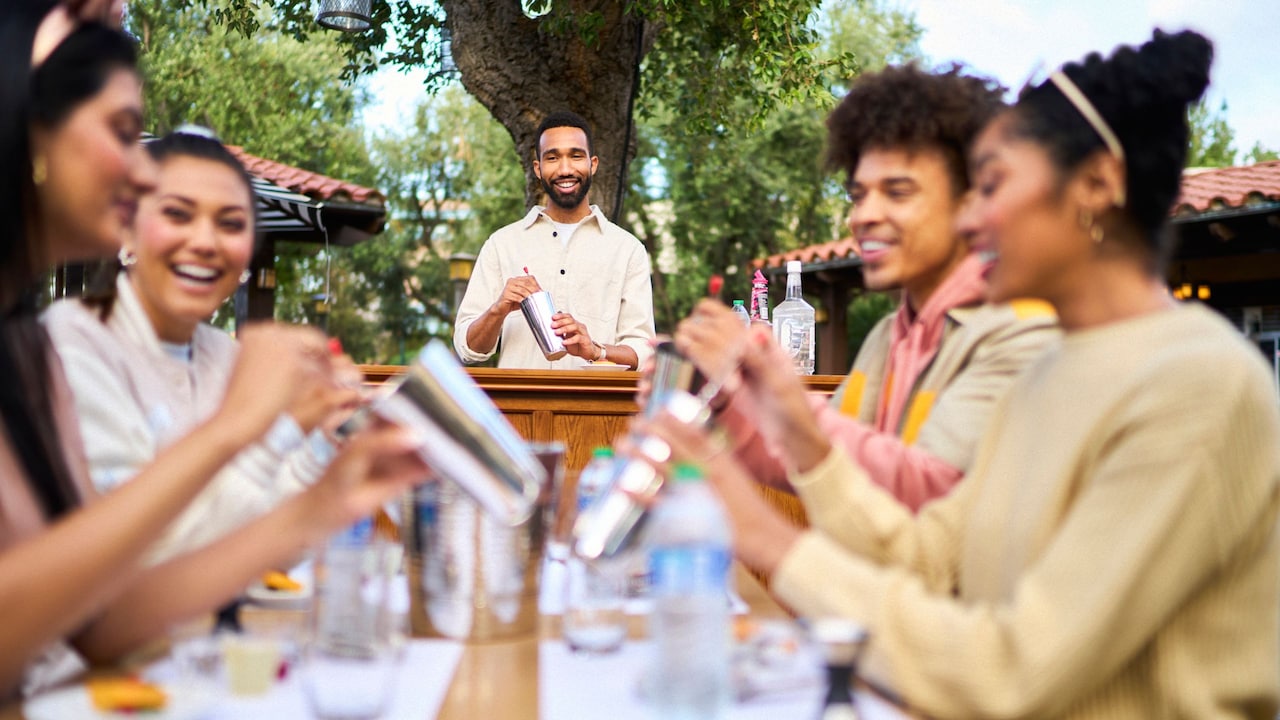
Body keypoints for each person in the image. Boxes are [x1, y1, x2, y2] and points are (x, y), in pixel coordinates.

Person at [641, 30, 1280, 717]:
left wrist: (761, 533)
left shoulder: (1193, 385)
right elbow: (930, 558)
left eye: (993, 186)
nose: (971, 219)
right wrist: (745, 449)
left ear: (1096, 185)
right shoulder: (1052, 372)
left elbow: (1013, 669)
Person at [0, 3, 429, 698]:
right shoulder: (68, 340)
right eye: (125, 132)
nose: (145, 173)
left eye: (231, 224)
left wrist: (329, 492)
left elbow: (98, 618)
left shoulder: (24, 348)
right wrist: (246, 431)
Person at [670, 65, 1059, 511]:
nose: (863, 216)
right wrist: (720, 404)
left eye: (897, 192)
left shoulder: (1020, 334)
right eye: (858, 196)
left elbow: (931, 488)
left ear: (971, 202)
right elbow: (821, 460)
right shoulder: (888, 335)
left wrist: (777, 385)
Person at [44, 128, 361, 563]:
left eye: (230, 224)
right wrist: (281, 430)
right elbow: (137, 554)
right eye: (177, 215)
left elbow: (271, 541)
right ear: (127, 230)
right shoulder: (72, 346)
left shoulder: (226, 357)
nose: (205, 242)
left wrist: (327, 438)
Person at [453, 110, 656, 370]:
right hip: (520, 408)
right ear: (538, 168)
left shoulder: (627, 250)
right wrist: (498, 309)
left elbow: (644, 351)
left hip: (595, 409)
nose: (565, 169)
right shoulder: (501, 244)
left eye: (576, 156)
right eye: (552, 157)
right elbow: (467, 349)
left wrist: (596, 349)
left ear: (592, 164)